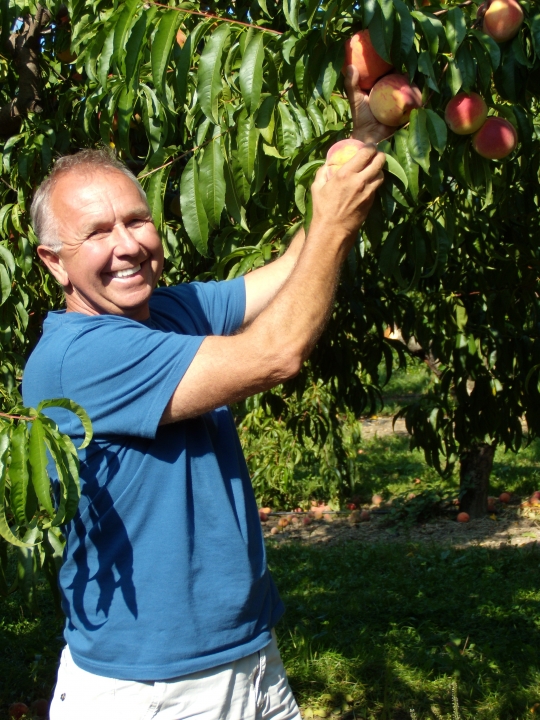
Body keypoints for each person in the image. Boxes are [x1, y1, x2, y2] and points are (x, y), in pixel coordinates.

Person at [22, 68, 387, 720]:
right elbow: (276, 354)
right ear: (53, 261)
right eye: (98, 233)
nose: (128, 245)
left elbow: (285, 276)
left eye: (136, 220)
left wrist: (364, 140)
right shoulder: (77, 358)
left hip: (248, 657)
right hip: (152, 689)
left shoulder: (170, 311)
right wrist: (333, 221)